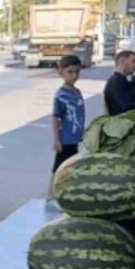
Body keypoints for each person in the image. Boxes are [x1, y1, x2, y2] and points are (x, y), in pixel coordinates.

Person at [51, 55, 85, 183]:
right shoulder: (60, 95)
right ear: (61, 72)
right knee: (59, 170)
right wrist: (56, 140)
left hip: (77, 139)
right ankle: (51, 192)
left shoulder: (77, 92)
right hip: (66, 140)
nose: (74, 75)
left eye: (77, 72)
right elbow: (56, 118)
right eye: (70, 72)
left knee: (73, 170)